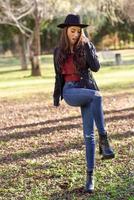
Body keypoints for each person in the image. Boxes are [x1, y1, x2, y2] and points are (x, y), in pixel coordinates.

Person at [53, 14, 115, 193]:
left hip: (86, 89)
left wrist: (88, 45)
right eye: (73, 31)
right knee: (98, 96)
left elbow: (95, 68)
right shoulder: (58, 51)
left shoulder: (85, 46)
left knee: (89, 136)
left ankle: (90, 177)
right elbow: (57, 77)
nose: (75, 34)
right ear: (66, 31)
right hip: (71, 91)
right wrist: (56, 96)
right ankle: (105, 140)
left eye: (79, 31)